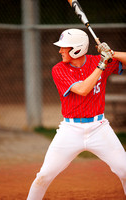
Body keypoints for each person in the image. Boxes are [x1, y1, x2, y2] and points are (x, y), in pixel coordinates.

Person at [27, 29, 126, 200]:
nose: (60, 51)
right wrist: (102, 65)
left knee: (124, 170)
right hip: (70, 130)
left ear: (77, 49)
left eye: (64, 47)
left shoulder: (97, 61)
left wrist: (112, 53)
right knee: (43, 176)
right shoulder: (59, 69)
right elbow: (82, 90)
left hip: (99, 128)